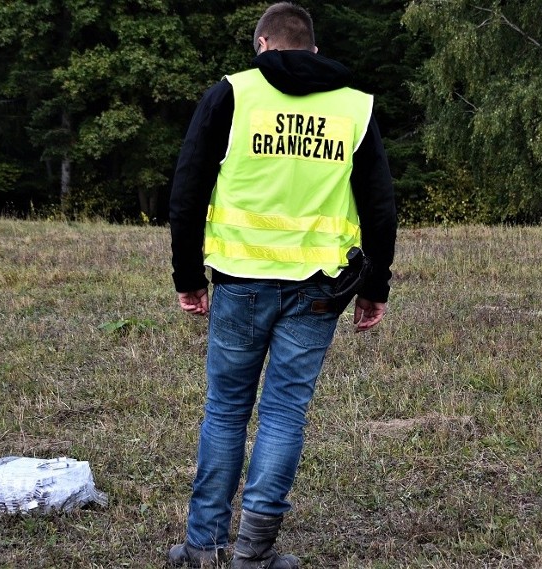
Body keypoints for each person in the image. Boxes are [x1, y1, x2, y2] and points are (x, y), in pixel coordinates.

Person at [167, 2, 397, 567]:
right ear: (312, 49)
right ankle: (253, 553)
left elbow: (188, 188)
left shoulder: (232, 93)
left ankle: (205, 549)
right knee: (284, 412)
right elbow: (380, 207)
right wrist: (376, 287)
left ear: (263, 45)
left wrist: (188, 276)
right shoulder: (354, 108)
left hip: (241, 281)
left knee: (226, 409)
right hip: (320, 287)